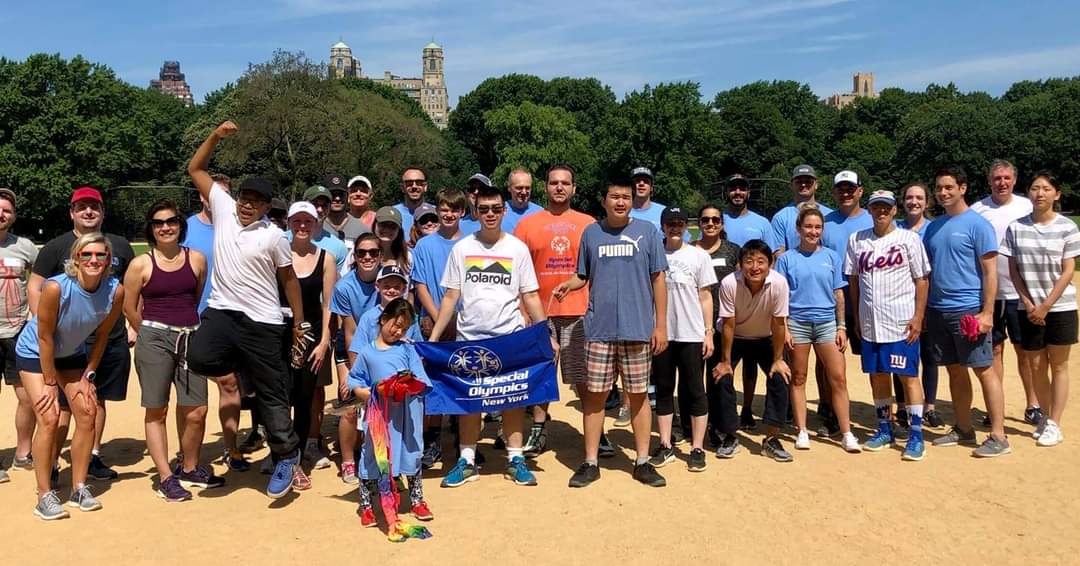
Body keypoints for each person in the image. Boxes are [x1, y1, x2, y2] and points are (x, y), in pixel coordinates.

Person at [185, 120, 309, 498]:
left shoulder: (274, 236)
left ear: (266, 206)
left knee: (273, 395)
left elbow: (289, 279)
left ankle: (286, 455)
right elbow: (195, 168)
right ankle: (242, 367)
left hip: (264, 322)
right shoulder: (223, 207)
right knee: (200, 357)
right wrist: (215, 136)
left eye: (255, 200)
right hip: (223, 311)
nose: (246, 204)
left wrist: (298, 322)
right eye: (244, 197)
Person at [430, 183, 554, 488]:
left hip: (510, 338)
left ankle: (516, 458)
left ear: (504, 211)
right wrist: (433, 339)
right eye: (483, 209)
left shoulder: (517, 249)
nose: (490, 214)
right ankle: (467, 460)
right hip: (470, 339)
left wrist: (546, 333)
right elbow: (450, 297)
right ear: (475, 212)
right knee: (470, 401)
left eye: (496, 209)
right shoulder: (462, 248)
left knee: (513, 398)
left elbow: (531, 296)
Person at [555, 180, 669, 488]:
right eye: (615, 196)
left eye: (626, 197)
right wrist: (569, 284)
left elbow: (658, 280)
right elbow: (583, 275)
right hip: (599, 330)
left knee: (638, 395)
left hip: (637, 328)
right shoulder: (591, 233)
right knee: (595, 397)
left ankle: (642, 461)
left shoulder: (647, 232)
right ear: (604, 200)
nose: (620, 202)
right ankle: (590, 462)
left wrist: (660, 326)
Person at [29, 186, 135, 483]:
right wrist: (45, 324)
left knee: (95, 401)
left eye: (94, 207)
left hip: (109, 337)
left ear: (103, 211)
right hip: (68, 342)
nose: (88, 212)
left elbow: (130, 289)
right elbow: (35, 286)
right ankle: (51, 460)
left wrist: (133, 325)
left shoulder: (119, 245)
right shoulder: (55, 247)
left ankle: (91, 456)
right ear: (72, 212)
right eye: (82, 207)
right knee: (62, 407)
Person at [16, 232, 125, 519]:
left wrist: (89, 373)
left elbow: (102, 335)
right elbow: (44, 336)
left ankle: (79, 487)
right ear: (75, 258)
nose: (93, 260)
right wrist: (50, 382)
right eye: (86, 254)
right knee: (49, 416)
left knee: (88, 412)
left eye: (100, 255)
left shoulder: (115, 290)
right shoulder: (56, 288)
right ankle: (44, 495)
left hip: (72, 354)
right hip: (36, 352)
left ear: (109, 260)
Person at [124, 200, 223, 501]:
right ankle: (166, 476)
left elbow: (195, 296)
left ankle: (189, 466)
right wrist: (149, 334)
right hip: (155, 337)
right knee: (157, 409)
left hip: (190, 336)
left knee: (196, 410)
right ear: (151, 228)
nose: (165, 227)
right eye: (158, 223)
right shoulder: (141, 264)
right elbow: (129, 307)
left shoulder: (197, 259)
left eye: (171, 221)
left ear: (180, 225)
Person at [924, 165, 1010, 457]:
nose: (943, 192)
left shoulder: (978, 224)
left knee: (984, 370)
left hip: (968, 309)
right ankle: (963, 428)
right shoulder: (933, 227)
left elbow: (990, 272)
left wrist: (987, 312)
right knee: (955, 370)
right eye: (939, 188)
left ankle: (998, 435)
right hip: (939, 309)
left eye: (949, 187)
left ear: (962, 188)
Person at [514, 165, 599, 458]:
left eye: (565, 183)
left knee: (584, 376)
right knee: (542, 373)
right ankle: (538, 429)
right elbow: (517, 273)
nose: (559, 187)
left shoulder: (589, 224)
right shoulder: (527, 225)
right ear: (546, 187)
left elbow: (596, 270)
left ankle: (596, 432)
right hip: (541, 312)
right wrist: (523, 310)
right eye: (554, 183)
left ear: (574, 188)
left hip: (579, 310)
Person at [845, 190, 931, 461]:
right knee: (878, 375)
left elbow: (922, 279)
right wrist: (857, 317)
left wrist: (918, 317)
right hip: (870, 323)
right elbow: (853, 281)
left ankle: (916, 435)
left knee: (908, 376)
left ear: (894, 210)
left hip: (901, 322)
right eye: (876, 207)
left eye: (886, 207)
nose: (881, 211)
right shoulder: (857, 239)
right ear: (869, 209)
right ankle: (885, 429)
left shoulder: (909, 239)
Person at [1002, 171, 1079, 447]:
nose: (1040, 193)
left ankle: (1055, 422)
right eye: (1035, 188)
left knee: (1058, 365)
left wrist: (1046, 305)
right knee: (1036, 365)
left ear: (1057, 194)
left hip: (1060, 307)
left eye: (1046, 189)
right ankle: (1045, 417)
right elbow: (1013, 270)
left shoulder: (1067, 227)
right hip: (1028, 308)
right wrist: (1027, 303)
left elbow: (1068, 270)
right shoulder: (1016, 227)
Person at [775, 207, 860, 453]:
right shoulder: (786, 259)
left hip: (826, 324)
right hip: (797, 324)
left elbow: (838, 293)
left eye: (817, 227)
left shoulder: (831, 256)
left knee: (838, 378)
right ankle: (802, 430)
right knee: (799, 377)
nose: (813, 232)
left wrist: (841, 326)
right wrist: (785, 328)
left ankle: (846, 432)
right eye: (808, 227)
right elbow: (780, 297)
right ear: (798, 229)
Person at [182, 175, 252, 471]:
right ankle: (188, 455)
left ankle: (231, 447)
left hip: (230, 316)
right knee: (192, 393)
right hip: (194, 318)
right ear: (202, 196)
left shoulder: (239, 225)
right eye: (212, 193)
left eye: (225, 194)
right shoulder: (187, 227)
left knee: (230, 383)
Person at [349, 298, 434, 528]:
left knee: (411, 452)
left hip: (407, 414)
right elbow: (355, 381)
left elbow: (421, 381)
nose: (398, 332)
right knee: (372, 455)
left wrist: (406, 385)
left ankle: (417, 500)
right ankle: (366, 506)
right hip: (380, 416)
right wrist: (369, 392)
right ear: (383, 319)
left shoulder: (407, 349)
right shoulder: (367, 353)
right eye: (396, 325)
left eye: (404, 329)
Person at [647, 206, 716, 472]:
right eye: (670, 223)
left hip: (691, 332)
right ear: (662, 226)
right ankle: (665, 444)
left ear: (686, 226)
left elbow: (705, 296)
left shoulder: (698, 256)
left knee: (695, 389)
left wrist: (708, 332)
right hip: (662, 333)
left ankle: (697, 447)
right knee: (664, 389)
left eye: (679, 223)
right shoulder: (653, 253)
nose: (675, 228)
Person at [710, 239, 793, 462]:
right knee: (721, 377)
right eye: (749, 261)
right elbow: (728, 323)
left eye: (761, 261)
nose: (755, 267)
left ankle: (772, 438)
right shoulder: (730, 283)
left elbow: (779, 323)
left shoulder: (779, 283)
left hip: (765, 337)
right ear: (740, 264)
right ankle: (729, 435)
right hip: (734, 336)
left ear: (770, 263)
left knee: (781, 377)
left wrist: (778, 359)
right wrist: (725, 361)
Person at [971, 159, 1039, 425]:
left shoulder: (1027, 206)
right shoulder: (978, 210)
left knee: (1024, 351)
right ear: (990, 181)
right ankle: (994, 407)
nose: (1002, 183)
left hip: (1021, 294)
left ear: (1014, 180)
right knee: (994, 351)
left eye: (1006, 178)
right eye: (997, 178)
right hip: (991, 295)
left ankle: (1033, 404)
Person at [410, 188, 468, 467]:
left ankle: (463, 439)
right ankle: (432, 440)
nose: (448, 214)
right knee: (432, 382)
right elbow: (420, 284)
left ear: (462, 213)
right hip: (431, 320)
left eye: (454, 209)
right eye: (444, 209)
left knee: (462, 380)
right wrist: (438, 317)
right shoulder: (424, 245)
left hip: (465, 321)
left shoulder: (470, 243)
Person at [282, 202, 338, 486]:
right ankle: (280, 453)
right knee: (279, 398)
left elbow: (328, 303)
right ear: (289, 223)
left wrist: (325, 340)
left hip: (312, 337)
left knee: (304, 400)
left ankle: (296, 459)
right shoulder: (278, 254)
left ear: (316, 224)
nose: (302, 226)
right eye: (297, 221)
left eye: (308, 221)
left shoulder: (326, 258)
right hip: (280, 333)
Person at [817, 170, 873, 436]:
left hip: (867, 302)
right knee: (827, 361)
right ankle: (828, 408)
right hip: (832, 302)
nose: (846, 193)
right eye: (841, 188)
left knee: (875, 359)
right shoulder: (825, 223)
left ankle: (889, 412)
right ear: (834, 192)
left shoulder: (873, 218)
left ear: (860, 191)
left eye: (851, 188)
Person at [329, 233, 382, 483]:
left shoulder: (388, 281)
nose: (367, 257)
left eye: (373, 252)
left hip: (382, 347)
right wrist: (355, 373)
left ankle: (380, 458)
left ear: (380, 255)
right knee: (350, 402)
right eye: (362, 252)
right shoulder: (344, 287)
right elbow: (349, 332)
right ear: (355, 256)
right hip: (353, 349)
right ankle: (348, 461)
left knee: (382, 405)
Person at [894, 182, 943, 428]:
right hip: (900, 301)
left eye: (919, 198)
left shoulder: (934, 228)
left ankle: (929, 407)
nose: (914, 202)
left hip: (929, 299)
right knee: (900, 355)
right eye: (910, 197)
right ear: (903, 201)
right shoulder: (895, 228)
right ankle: (902, 406)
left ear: (927, 202)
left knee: (929, 355)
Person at [0, 188, 39, 482]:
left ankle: (23, 453)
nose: (1, 214)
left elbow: (42, 280)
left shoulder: (25, 247)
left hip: (18, 331)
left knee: (28, 397)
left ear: (13, 216)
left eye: (7, 210)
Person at [693, 203, 739, 448]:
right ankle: (693, 424)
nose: (710, 224)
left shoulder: (733, 250)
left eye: (715, 220)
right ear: (699, 223)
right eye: (705, 220)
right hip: (692, 322)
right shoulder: (689, 249)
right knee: (692, 378)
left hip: (723, 322)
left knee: (719, 377)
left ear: (722, 223)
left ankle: (722, 427)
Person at [770, 164, 834, 254]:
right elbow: (778, 254)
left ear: (816, 185)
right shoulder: (781, 218)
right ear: (791, 185)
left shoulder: (830, 216)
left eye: (808, 181)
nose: (803, 184)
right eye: (799, 182)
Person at [301, 185, 350, 275]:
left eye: (324, 206)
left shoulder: (339, 247)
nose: (320, 210)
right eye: (314, 204)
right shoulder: (284, 239)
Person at [721, 174, 773, 247]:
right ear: (726, 193)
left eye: (742, 189)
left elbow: (771, 253)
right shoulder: (715, 221)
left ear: (749, 193)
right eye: (733, 189)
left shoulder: (763, 223)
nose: (738, 192)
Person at [323, 173, 370, 247]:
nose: (337, 198)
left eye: (341, 194)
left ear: (347, 197)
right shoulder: (315, 227)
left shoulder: (362, 229)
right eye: (333, 194)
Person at [501, 168, 542, 234]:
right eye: (519, 188)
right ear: (509, 188)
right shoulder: (498, 211)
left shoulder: (540, 213)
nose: (524, 192)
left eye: (527, 188)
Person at [394, 167, 431, 235]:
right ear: (402, 187)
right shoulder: (392, 213)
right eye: (409, 183)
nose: (414, 186)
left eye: (419, 182)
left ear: (425, 186)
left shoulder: (438, 213)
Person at [374, 206, 411, 273]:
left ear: (399, 230)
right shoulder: (362, 251)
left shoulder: (407, 256)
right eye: (383, 224)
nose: (387, 229)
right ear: (374, 225)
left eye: (393, 226)